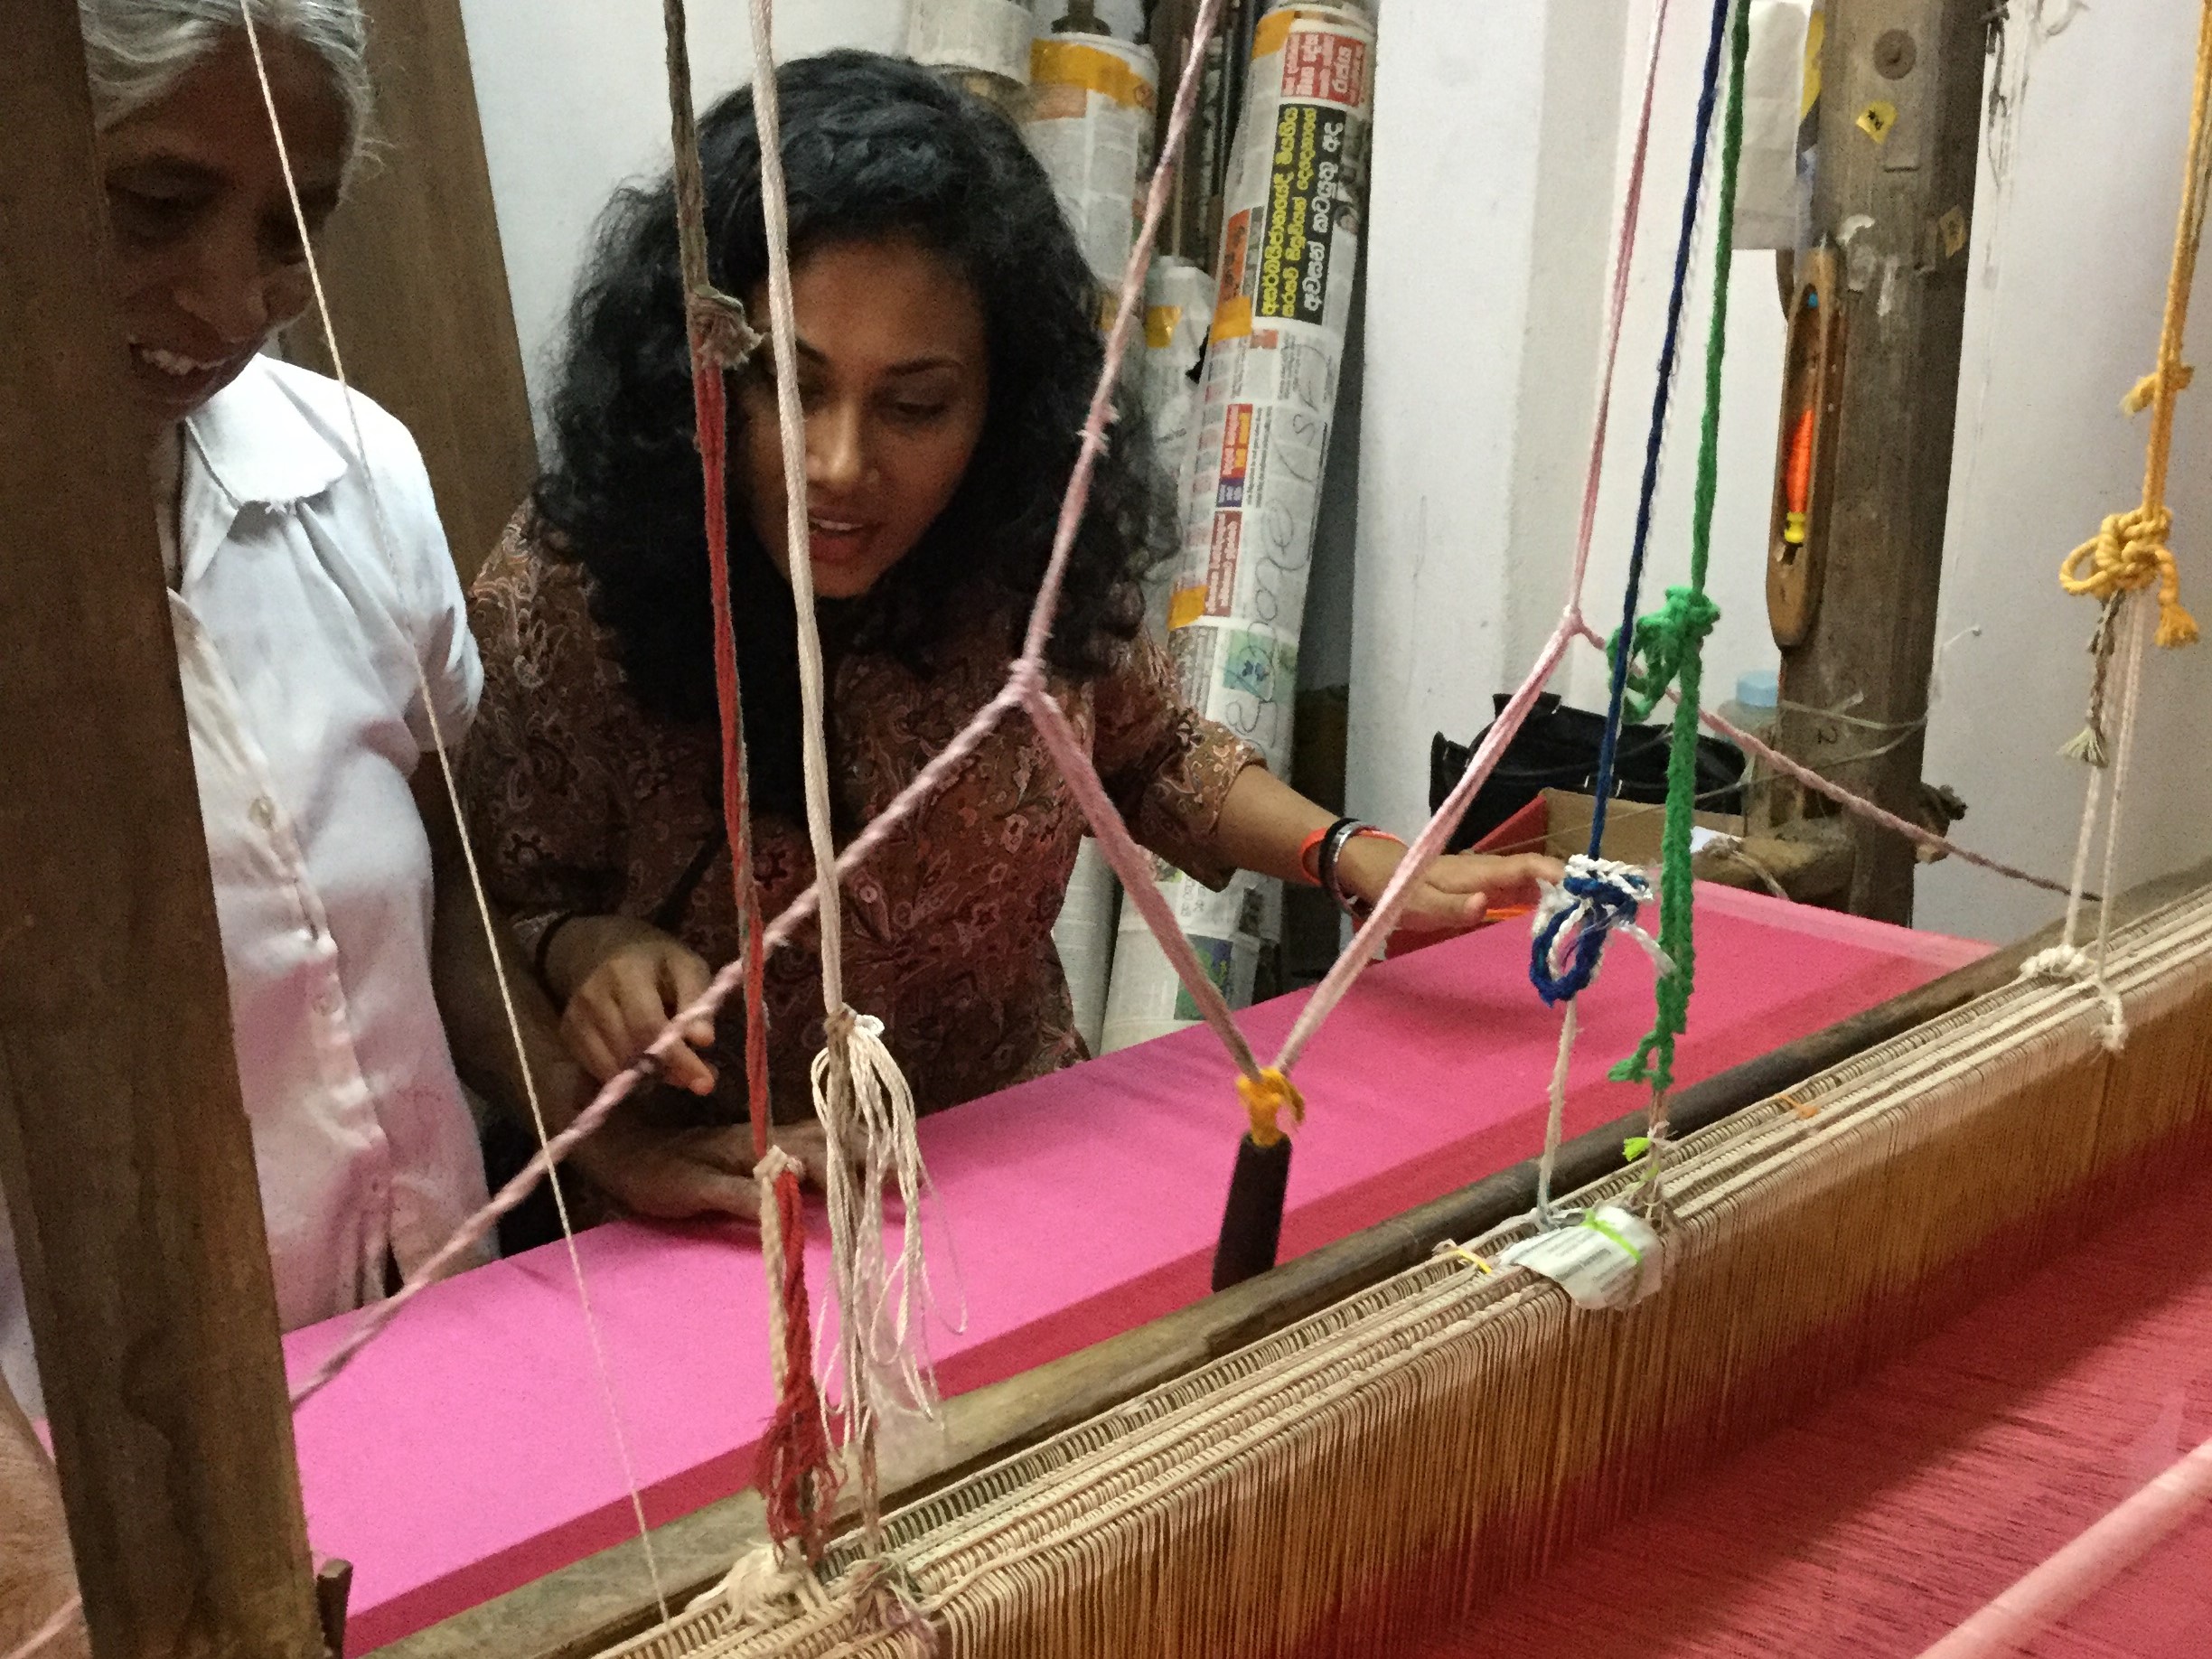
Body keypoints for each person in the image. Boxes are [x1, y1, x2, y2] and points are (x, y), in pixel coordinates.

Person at [463, 52, 1561, 1231]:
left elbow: (1147, 753)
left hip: (1012, 1167)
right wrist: (587, 954)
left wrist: (1357, 857)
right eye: (790, 384)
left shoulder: (1023, 556)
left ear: (1000, 403)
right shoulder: (574, 594)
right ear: (696, 365)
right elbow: (477, 916)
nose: (840, 463)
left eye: (916, 405)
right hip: (724, 1212)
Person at [0, 0, 511, 1445]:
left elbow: (445, 899)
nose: (234, 305)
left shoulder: (356, 470)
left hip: (446, 1350)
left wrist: (608, 1135)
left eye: (294, 229)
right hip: (95, 1470)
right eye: (155, 207)